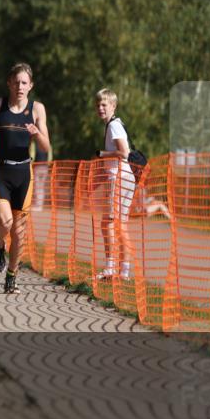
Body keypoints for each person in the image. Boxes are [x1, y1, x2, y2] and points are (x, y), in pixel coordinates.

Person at [0, 62, 51, 294]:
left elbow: (46, 145)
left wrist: (38, 133)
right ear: (9, 83)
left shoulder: (37, 109)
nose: (20, 86)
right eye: (16, 82)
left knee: (19, 230)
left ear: (31, 85)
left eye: (24, 83)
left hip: (24, 174)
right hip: (0, 172)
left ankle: (12, 277)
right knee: (6, 223)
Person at [94, 88, 135, 280]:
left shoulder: (113, 126)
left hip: (119, 178)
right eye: (98, 105)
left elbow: (124, 152)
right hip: (123, 177)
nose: (100, 108)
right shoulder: (114, 125)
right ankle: (123, 271)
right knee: (118, 224)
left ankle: (112, 268)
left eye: (104, 105)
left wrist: (102, 154)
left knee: (109, 223)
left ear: (113, 106)